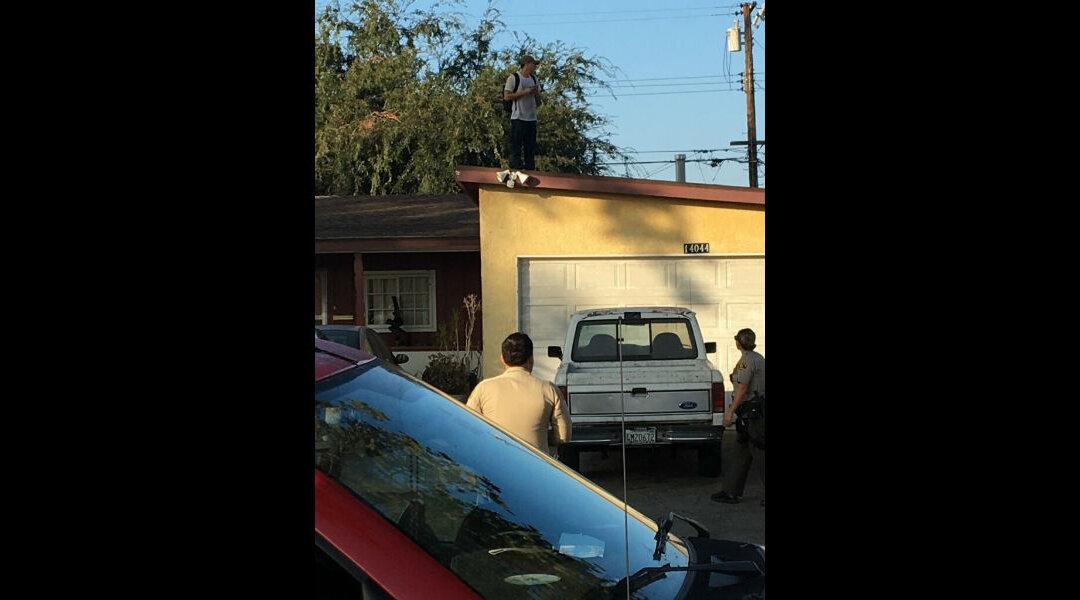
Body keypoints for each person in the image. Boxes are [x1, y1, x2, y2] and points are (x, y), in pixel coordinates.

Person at [466, 332, 570, 457]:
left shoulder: (483, 389)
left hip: (495, 465)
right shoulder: (549, 389)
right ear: (531, 359)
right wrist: (541, 436)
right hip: (537, 467)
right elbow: (564, 435)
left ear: (502, 359)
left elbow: (468, 429)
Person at [711, 328, 766, 506]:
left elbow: (742, 389)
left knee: (759, 452)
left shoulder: (747, 361)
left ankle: (732, 492)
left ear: (738, 342)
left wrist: (729, 412)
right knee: (741, 453)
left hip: (752, 415)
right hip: (752, 413)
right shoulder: (758, 358)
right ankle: (731, 492)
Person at [504, 55, 542, 171]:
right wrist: (525, 92)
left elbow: (539, 102)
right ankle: (516, 169)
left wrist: (535, 93)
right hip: (518, 118)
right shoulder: (514, 78)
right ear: (526, 64)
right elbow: (507, 96)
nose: (535, 66)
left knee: (530, 148)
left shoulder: (534, 79)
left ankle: (530, 170)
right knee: (516, 147)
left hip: (531, 119)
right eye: (533, 64)